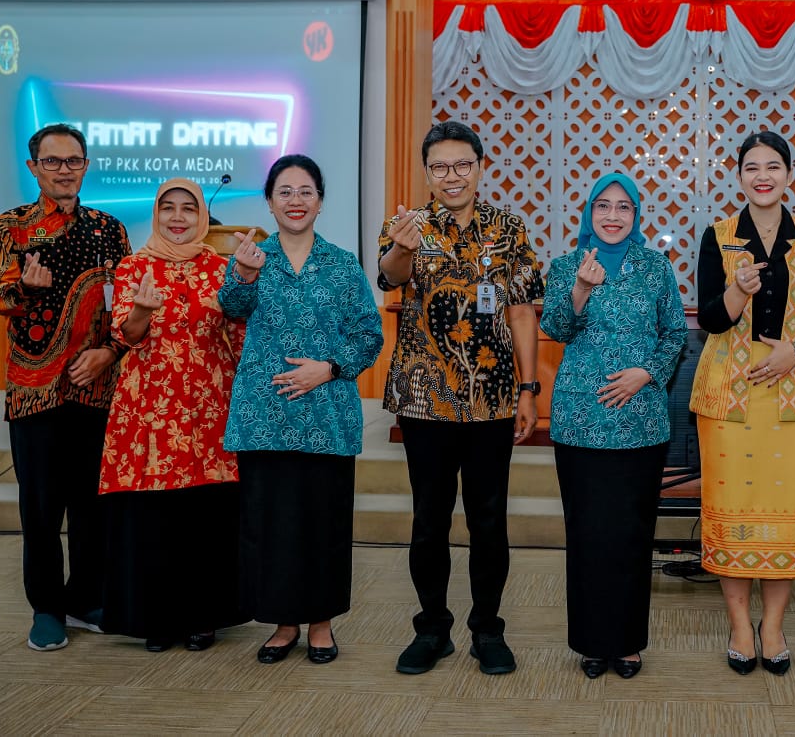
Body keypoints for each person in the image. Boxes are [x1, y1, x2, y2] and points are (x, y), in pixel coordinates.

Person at [378, 120, 544, 676]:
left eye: (462, 165)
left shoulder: (510, 228)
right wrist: (402, 248)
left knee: (488, 518)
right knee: (429, 518)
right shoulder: (407, 224)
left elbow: (521, 309)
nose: (452, 176)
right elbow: (389, 276)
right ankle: (432, 629)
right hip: (425, 398)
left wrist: (528, 387)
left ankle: (487, 630)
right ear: (427, 172)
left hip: (493, 399)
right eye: (440, 167)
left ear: (479, 167)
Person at [690, 130, 795, 677]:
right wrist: (737, 291)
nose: (763, 175)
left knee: (784, 514)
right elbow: (709, 317)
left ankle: (774, 627)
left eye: (773, 166)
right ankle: (739, 625)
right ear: (738, 176)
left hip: (792, 395)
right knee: (735, 516)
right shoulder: (718, 236)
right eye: (752, 166)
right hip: (730, 400)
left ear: (788, 174)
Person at [219, 155, 383, 665]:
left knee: (322, 524)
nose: (295, 200)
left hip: (326, 418)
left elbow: (369, 336)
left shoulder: (341, 263)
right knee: (271, 525)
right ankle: (283, 622)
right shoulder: (250, 256)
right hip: (263, 416)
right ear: (269, 201)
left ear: (320, 200)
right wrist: (244, 276)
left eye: (306, 191)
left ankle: (321, 622)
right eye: (285, 191)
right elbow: (230, 309)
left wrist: (329, 367)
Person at [0, 122, 132, 651]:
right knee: (41, 508)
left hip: (95, 387)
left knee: (92, 506)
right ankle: (46, 607)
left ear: (86, 165)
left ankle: (85, 598)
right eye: (53, 161)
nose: (64, 169)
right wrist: (22, 287)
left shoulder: (109, 229)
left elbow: (126, 306)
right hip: (34, 388)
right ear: (34, 168)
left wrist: (110, 353)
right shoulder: (13, 227)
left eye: (73, 160)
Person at [540, 173, 687, 680]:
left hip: (641, 423)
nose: (612, 216)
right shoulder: (567, 266)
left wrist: (647, 373)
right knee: (586, 533)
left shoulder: (654, 268)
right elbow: (555, 329)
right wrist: (580, 288)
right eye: (603, 206)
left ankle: (626, 643)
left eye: (623, 207)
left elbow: (674, 335)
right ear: (588, 213)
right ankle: (590, 641)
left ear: (636, 215)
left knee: (630, 534)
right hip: (580, 421)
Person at [98, 178, 246, 652]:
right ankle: (156, 617)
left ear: (202, 215)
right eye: (168, 208)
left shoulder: (221, 268)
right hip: (149, 411)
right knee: (154, 516)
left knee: (203, 517)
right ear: (156, 214)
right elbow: (128, 333)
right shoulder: (133, 266)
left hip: (207, 405)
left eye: (188, 208)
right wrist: (142, 309)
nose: (178, 217)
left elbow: (240, 336)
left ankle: (204, 615)